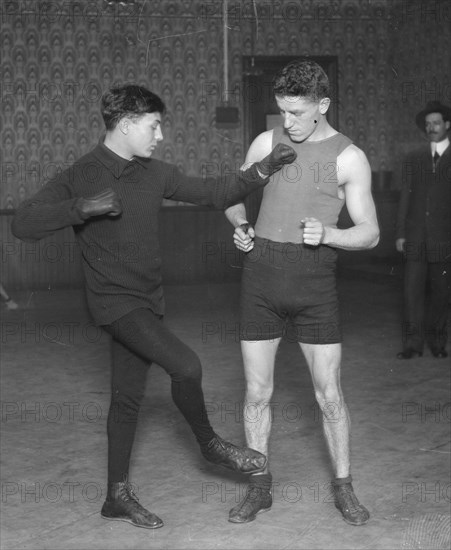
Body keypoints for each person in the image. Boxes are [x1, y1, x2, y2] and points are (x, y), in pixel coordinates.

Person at [11, 84, 297, 530]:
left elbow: (215, 192)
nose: (160, 134)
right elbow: (24, 223)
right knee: (186, 366)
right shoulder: (80, 174)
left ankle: (115, 497)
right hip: (113, 304)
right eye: (154, 125)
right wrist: (80, 208)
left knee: (126, 400)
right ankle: (208, 444)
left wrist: (263, 169)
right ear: (126, 125)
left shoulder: (154, 173)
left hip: (148, 302)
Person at [225, 60, 380, 526]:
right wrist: (242, 225)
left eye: (296, 112)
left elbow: (371, 233)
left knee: (329, 394)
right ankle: (259, 487)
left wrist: (330, 234)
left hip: (315, 283)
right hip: (261, 279)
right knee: (256, 392)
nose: (286, 123)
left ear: (323, 105)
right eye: (281, 111)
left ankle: (344, 488)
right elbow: (230, 195)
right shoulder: (266, 143)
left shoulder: (348, 157)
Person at [395, 100, 451, 360]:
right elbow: (405, 197)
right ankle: (413, 345)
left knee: (441, 293)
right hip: (415, 236)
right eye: (428, 125)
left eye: (436, 123)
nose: (431, 128)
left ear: (447, 125)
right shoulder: (414, 158)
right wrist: (400, 234)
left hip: (445, 239)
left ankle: (438, 343)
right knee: (411, 293)